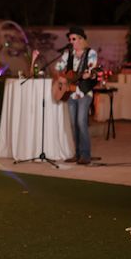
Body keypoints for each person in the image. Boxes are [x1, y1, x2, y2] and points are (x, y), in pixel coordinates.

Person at [54, 26, 98, 165]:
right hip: (70, 93)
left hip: (84, 92)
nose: (71, 41)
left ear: (81, 39)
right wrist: (60, 77)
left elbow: (92, 68)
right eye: (70, 39)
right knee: (73, 124)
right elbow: (58, 67)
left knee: (81, 122)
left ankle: (86, 155)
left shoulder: (91, 53)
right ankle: (77, 154)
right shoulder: (68, 54)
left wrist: (89, 73)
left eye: (73, 38)